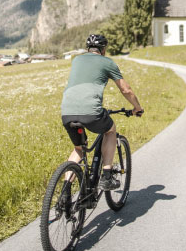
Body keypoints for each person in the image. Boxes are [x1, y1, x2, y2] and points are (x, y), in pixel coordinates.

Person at [61, 34, 143, 190]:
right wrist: (137, 108)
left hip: (67, 110)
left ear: (88, 49)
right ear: (103, 49)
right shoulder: (107, 62)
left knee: (79, 149)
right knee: (110, 130)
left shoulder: (76, 60)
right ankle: (106, 176)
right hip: (91, 111)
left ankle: (65, 192)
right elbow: (125, 89)